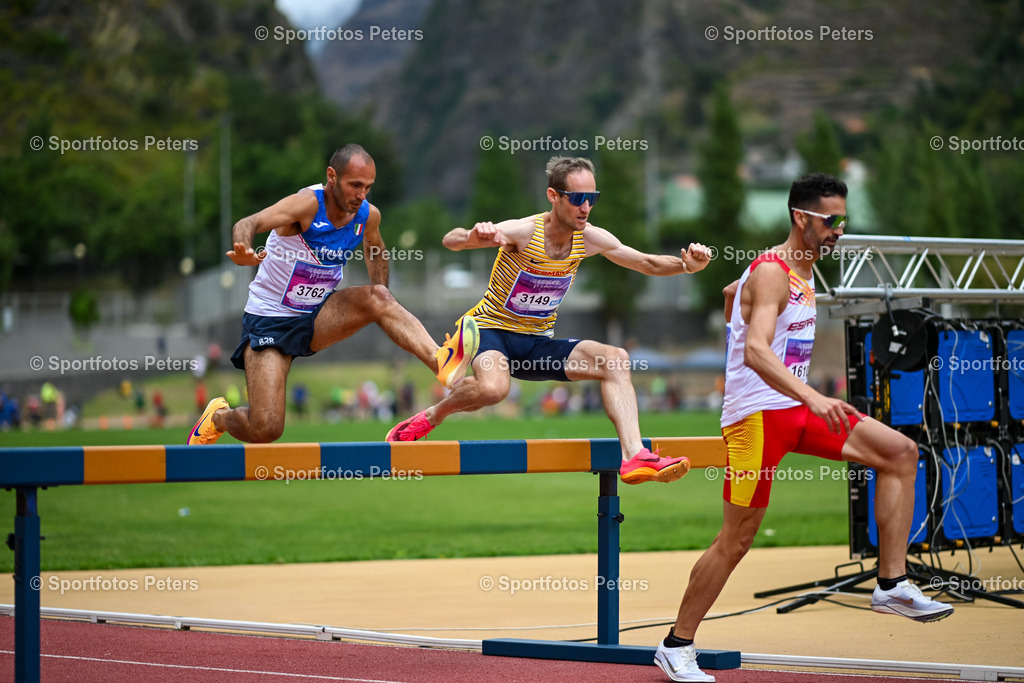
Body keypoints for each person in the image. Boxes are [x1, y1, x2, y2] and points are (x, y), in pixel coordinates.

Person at [653, 173, 952, 682]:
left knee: (900, 453)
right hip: (757, 421)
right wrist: (811, 393)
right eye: (829, 220)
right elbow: (755, 348)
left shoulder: (798, 271)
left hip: (795, 412)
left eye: (843, 219)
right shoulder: (772, 271)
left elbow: (733, 293)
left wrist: (738, 314)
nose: (838, 229)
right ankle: (676, 645)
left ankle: (891, 583)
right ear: (801, 218)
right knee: (737, 539)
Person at [385, 156, 712, 485]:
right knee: (495, 389)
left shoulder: (591, 238)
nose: (586, 208)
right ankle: (432, 416)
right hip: (491, 332)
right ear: (554, 197)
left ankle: (634, 457)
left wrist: (687, 267)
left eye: (592, 199)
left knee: (615, 359)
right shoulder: (524, 232)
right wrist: (474, 234)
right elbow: (450, 240)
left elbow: (647, 263)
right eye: (578, 199)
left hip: (536, 344)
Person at [188, 144, 479, 445]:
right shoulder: (305, 206)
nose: (361, 195)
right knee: (265, 428)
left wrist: (383, 299)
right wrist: (244, 248)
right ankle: (218, 416)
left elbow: (376, 248)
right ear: (331, 176)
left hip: (318, 314)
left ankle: (441, 362)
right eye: (355, 185)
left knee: (377, 298)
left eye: (367, 187)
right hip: (271, 319)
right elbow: (248, 223)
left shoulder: (367, 215)